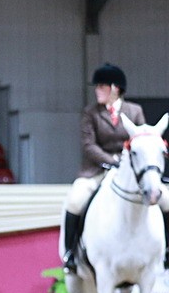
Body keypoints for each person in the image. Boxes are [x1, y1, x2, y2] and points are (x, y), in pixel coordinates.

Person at [62, 63, 169, 272]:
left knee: (166, 200)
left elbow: (143, 140)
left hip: (131, 173)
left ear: (115, 88)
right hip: (96, 170)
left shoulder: (134, 111)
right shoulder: (90, 113)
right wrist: (112, 160)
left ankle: (166, 250)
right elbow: (88, 145)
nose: (97, 90)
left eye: (101, 86)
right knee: (75, 200)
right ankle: (71, 254)